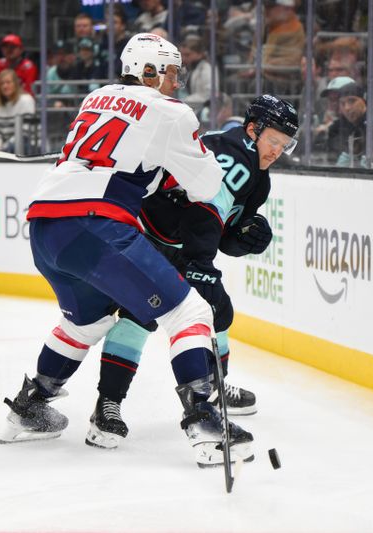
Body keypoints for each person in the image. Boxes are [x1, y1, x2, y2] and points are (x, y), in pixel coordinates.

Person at [1, 32, 255, 467]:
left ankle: (29, 407)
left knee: (89, 321)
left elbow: (126, 161)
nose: (176, 82)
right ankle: (205, 424)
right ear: (150, 71)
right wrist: (179, 168)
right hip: (95, 226)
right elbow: (207, 185)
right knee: (190, 313)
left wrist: (157, 172)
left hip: (44, 228)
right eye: (172, 72)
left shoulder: (96, 97)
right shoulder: (171, 111)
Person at [87, 94, 299, 450]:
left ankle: (214, 388)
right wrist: (201, 264)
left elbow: (221, 230)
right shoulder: (236, 152)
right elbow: (206, 210)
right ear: (252, 130)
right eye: (273, 140)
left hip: (178, 244)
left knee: (217, 308)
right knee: (141, 315)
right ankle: (107, 403)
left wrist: (244, 239)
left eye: (285, 143)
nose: (278, 150)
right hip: (147, 236)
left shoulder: (258, 178)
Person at [0, 69, 36, 151]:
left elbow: (25, 132)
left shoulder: (26, 100)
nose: (5, 86)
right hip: (6, 148)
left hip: (29, 147)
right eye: (2, 83)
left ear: (16, 84)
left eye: (8, 82)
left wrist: (4, 148)